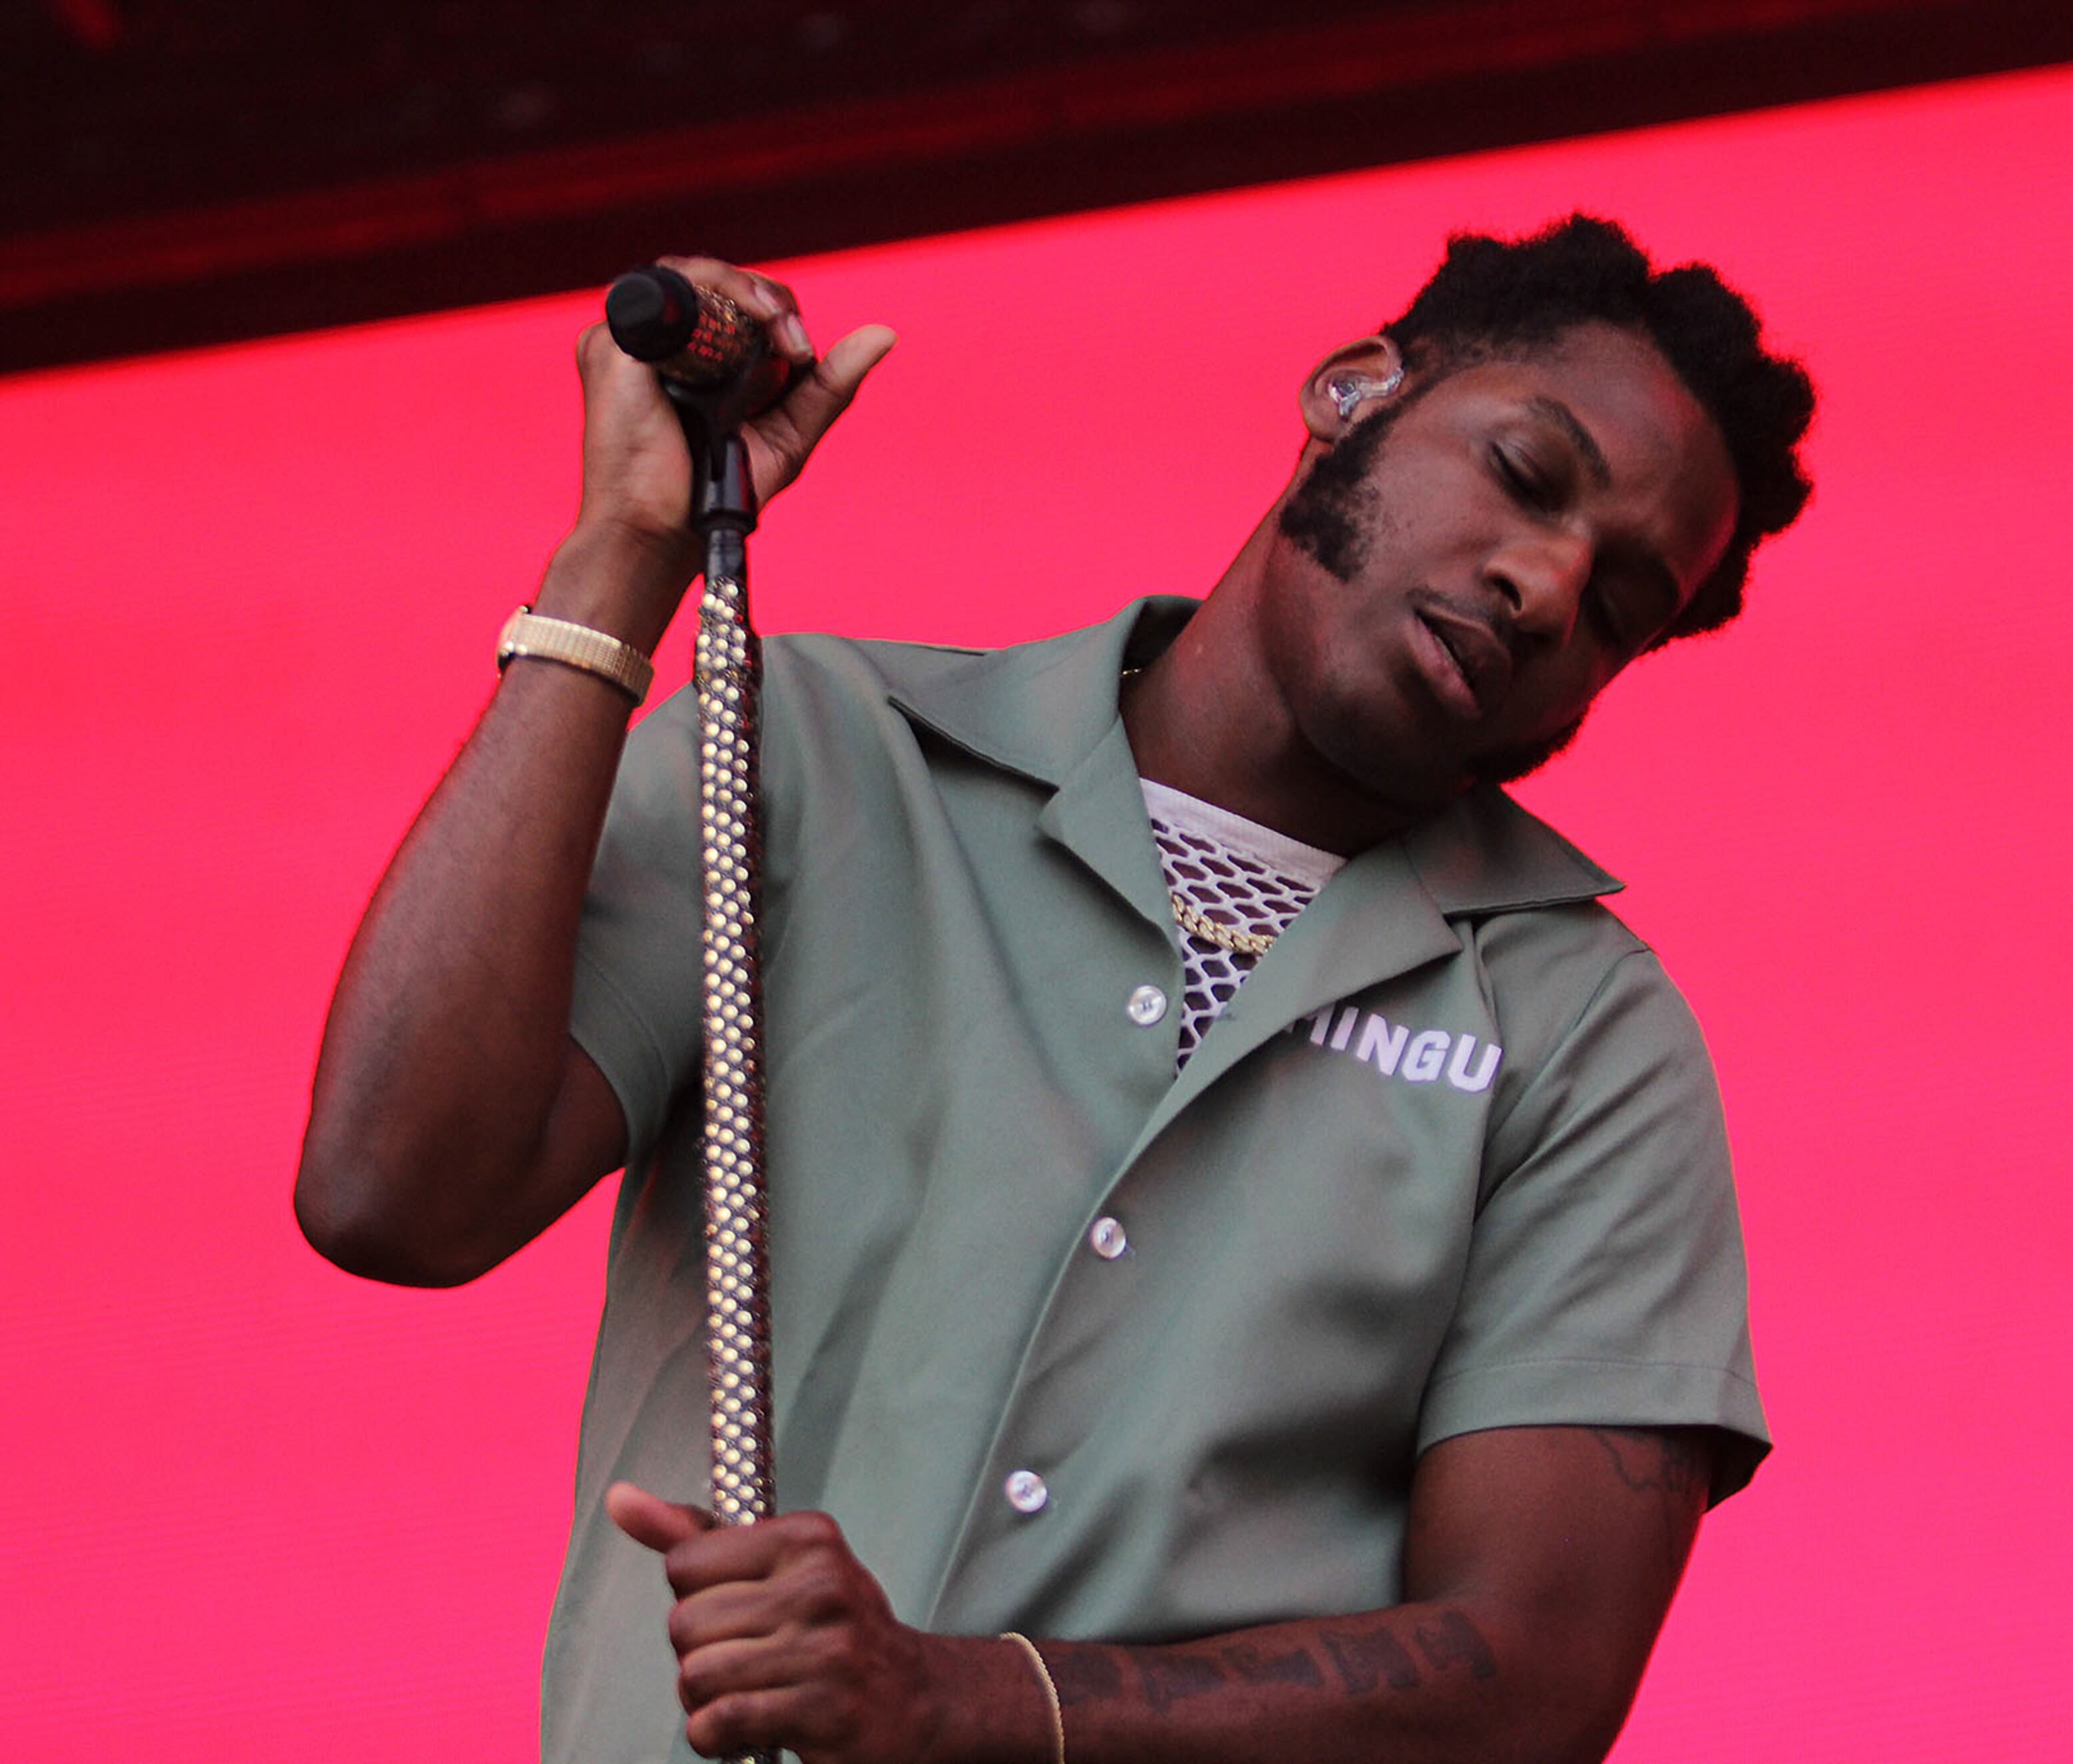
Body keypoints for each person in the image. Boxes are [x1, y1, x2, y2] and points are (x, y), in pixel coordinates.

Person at [297, 213, 1814, 1764]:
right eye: (1527, 475)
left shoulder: (1583, 1036)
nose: (1549, 585)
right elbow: (393, 1193)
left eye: (1623, 606)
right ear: (1353, 394)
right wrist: (622, 556)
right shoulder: (813, 750)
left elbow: (1529, 1690)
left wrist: (973, 1701)